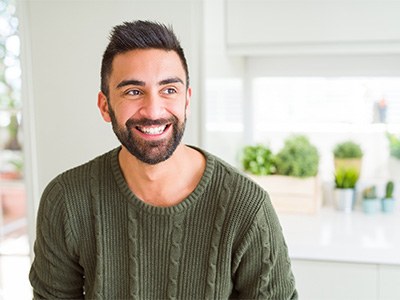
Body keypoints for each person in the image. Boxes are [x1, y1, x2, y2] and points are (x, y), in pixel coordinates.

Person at [29, 20, 298, 299]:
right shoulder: (66, 200)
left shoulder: (247, 208)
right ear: (105, 106)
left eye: (169, 90)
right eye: (133, 91)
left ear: (187, 101)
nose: (154, 110)